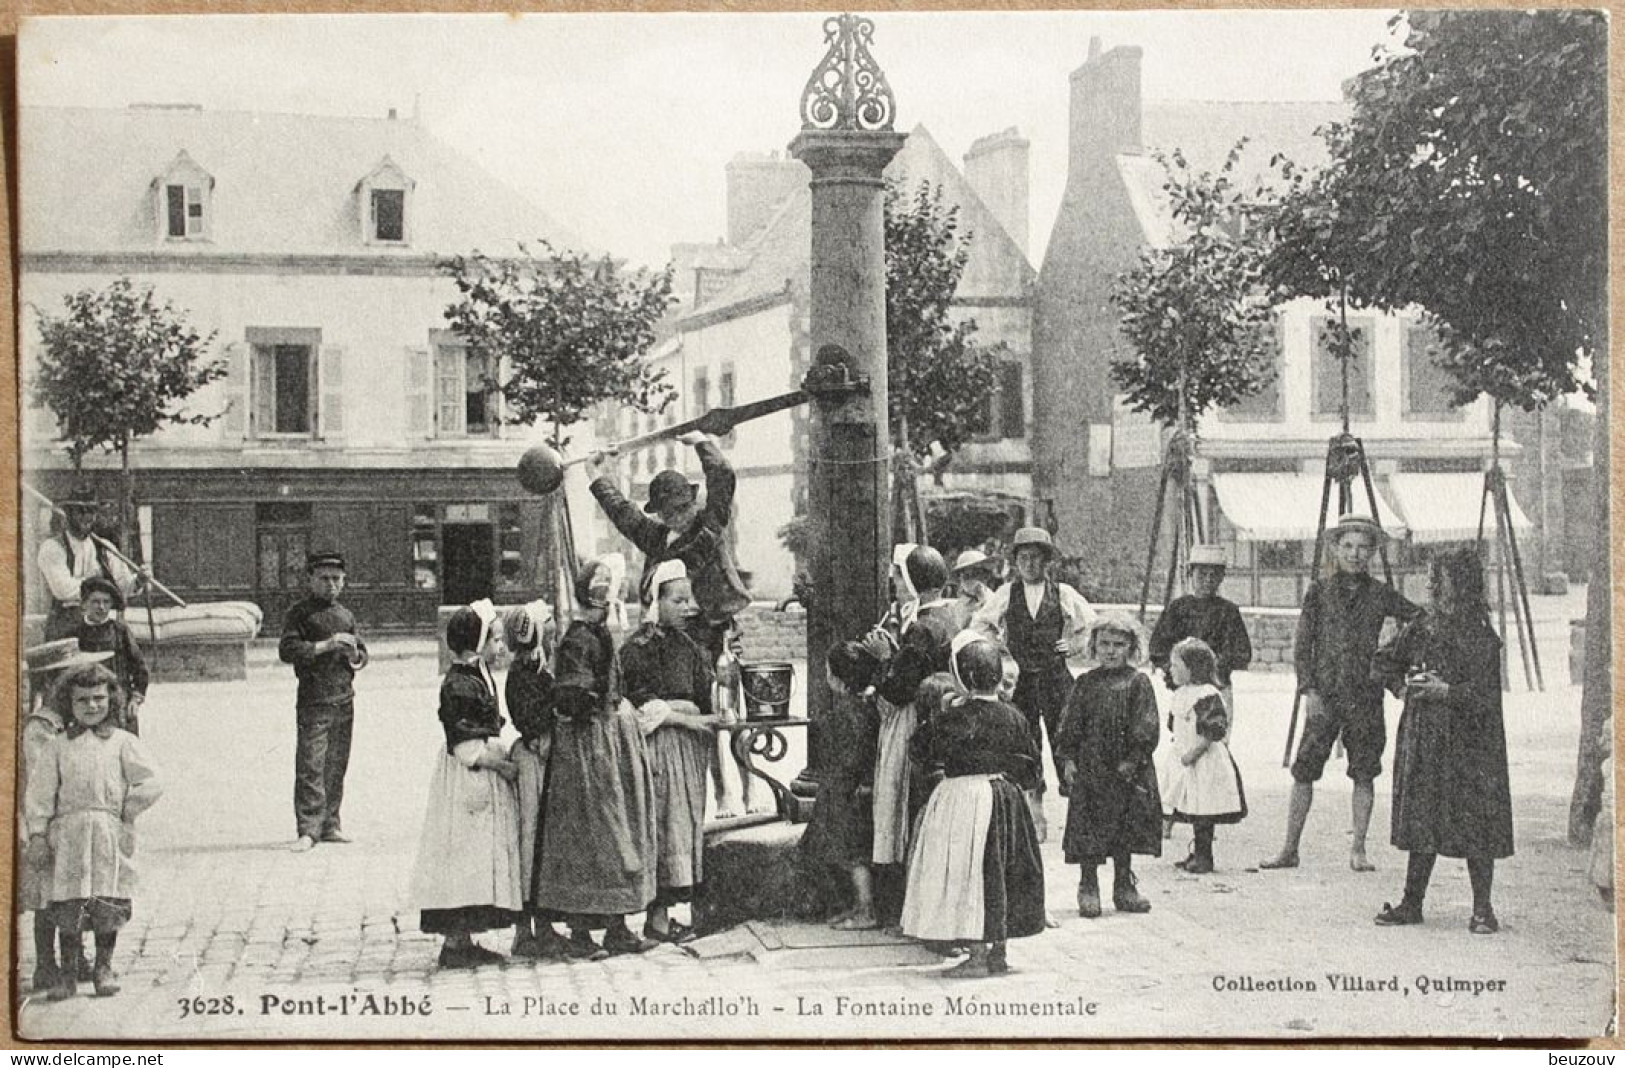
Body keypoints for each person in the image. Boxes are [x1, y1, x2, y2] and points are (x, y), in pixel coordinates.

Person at [587, 431, 757, 816]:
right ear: (660, 513)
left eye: (682, 507)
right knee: (696, 714)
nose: (677, 516)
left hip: (717, 631)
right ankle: (718, 793)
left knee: (731, 712)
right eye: (668, 512)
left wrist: (702, 444)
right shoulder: (657, 537)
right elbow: (623, 513)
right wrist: (596, 478)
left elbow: (724, 477)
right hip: (682, 638)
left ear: (692, 502)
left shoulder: (710, 525)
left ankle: (748, 792)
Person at [1262, 514, 1421, 873]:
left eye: (1363, 548)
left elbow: (1418, 619)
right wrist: (1309, 690)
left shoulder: (1380, 594)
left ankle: (1359, 850)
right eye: (1348, 546)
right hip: (1325, 695)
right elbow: (1303, 646)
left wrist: (1390, 657)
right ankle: (1289, 848)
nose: (1355, 554)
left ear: (1373, 553)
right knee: (1304, 771)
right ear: (1335, 548)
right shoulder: (1319, 591)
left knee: (1364, 772)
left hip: (1365, 697)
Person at [1371, 549, 1513, 934]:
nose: (1432, 585)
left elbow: (1486, 698)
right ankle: (1411, 902)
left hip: (1471, 745)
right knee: (1422, 816)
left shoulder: (1481, 637)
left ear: (1462, 584)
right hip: (1426, 738)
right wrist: (1403, 688)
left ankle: (1483, 909)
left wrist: (1446, 691)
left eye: (1441, 578)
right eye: (1431, 577)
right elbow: (1384, 662)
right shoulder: (1420, 625)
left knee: (1476, 822)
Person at [533, 558, 660, 958]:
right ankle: (582, 932)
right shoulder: (578, 639)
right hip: (588, 746)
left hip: (608, 741)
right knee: (591, 832)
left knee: (616, 829)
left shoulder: (597, 633)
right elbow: (572, 696)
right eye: (614, 589)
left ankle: (617, 927)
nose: (618, 595)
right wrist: (597, 713)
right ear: (601, 594)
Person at [900, 633, 1045, 979]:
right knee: (1001, 870)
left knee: (968, 872)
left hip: (962, 800)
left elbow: (919, 750)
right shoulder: (1013, 715)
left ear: (961, 678)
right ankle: (999, 953)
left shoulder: (954, 717)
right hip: (1004, 797)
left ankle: (977, 954)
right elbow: (1031, 766)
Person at [25, 663, 163, 1000]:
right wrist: (39, 834)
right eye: (82, 700)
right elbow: (40, 794)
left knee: (106, 899)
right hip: (68, 835)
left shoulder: (122, 742)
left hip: (107, 832)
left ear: (110, 700)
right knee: (69, 901)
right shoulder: (58, 746)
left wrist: (128, 809)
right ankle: (67, 974)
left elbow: (152, 780)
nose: (91, 706)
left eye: (98, 698)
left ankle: (103, 966)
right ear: (68, 704)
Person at [409, 601, 523, 969]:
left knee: (474, 855)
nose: (501, 648)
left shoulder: (475, 675)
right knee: (462, 855)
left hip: (477, 774)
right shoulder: (459, 685)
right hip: (468, 777)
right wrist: (503, 767)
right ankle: (455, 941)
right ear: (477, 642)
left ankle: (463, 937)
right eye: (497, 640)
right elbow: (465, 748)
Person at [622, 560, 721, 944]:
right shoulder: (637, 649)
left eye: (689, 599)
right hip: (659, 751)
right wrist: (686, 718)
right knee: (662, 828)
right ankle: (657, 918)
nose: (688, 607)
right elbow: (639, 705)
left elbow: (703, 692)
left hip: (689, 754)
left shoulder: (689, 646)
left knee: (684, 828)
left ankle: (669, 915)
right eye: (678, 600)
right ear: (655, 600)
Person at [971, 527, 1097, 801]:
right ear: (1016, 562)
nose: (1030, 564)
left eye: (1036, 558)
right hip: (1022, 679)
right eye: (1024, 558)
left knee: (1064, 735)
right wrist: (999, 645)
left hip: (1055, 677)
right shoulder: (1006, 593)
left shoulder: (1062, 592)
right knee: (1024, 737)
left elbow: (1092, 625)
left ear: (1047, 561)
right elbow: (980, 624)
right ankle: (1034, 798)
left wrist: (1074, 645)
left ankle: (1074, 796)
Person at [21, 641, 115, 995]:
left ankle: (78, 959)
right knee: (47, 894)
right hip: (46, 819)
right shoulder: (43, 727)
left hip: (73, 821)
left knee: (74, 889)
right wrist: (39, 831)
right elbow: (40, 778)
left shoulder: (69, 721)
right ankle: (47, 963)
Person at [862, 544, 961, 875]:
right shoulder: (950, 615)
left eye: (900, 580)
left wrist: (883, 659)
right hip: (941, 714)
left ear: (914, 582)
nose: (897, 588)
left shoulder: (923, 627)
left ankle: (896, 877)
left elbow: (901, 689)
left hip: (914, 718)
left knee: (897, 798)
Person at [1057, 614, 1162, 919]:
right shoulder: (1085, 683)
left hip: (1127, 769)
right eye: (1104, 644)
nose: (1111, 651)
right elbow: (1070, 725)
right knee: (1088, 828)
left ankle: (1123, 884)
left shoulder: (1138, 683)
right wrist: (1069, 760)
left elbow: (1147, 726)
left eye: (1119, 644)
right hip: (1092, 770)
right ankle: (1088, 884)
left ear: (1131, 647)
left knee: (1124, 828)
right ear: (1094, 646)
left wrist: (1133, 760)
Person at [277, 551, 368, 853]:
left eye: (336, 579)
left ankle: (331, 824)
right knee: (311, 765)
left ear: (344, 582)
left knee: (336, 764)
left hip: (344, 700)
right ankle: (308, 829)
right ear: (310, 580)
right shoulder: (300, 613)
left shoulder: (346, 615)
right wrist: (325, 646)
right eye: (324, 579)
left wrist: (354, 655)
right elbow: (288, 650)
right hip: (314, 700)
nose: (331, 585)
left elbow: (362, 654)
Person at [501, 599, 571, 961]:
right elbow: (533, 719)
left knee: (542, 840)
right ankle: (530, 927)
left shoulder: (535, 671)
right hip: (535, 762)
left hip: (541, 758)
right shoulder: (527, 675)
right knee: (533, 840)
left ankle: (538, 924)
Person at [800, 640, 881, 931]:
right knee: (846, 849)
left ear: (836, 678)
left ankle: (865, 909)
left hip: (845, 790)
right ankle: (855, 905)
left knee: (851, 852)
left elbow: (850, 756)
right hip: (850, 788)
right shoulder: (865, 706)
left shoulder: (847, 711)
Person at [1158, 638, 1247, 874]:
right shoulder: (1181, 694)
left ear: (1192, 668)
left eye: (1176, 666)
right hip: (1185, 758)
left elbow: (1212, 730)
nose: (1171, 670)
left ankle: (1204, 856)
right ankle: (1197, 853)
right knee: (1191, 805)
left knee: (1204, 810)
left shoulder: (1207, 694)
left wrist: (1193, 753)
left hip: (1203, 760)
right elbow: (1174, 724)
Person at [1148, 544, 1252, 729]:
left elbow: (1242, 652)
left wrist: (1215, 667)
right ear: (1191, 574)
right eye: (1202, 574)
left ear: (1221, 578)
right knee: (1185, 737)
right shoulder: (1177, 608)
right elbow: (1158, 647)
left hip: (1218, 687)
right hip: (1184, 688)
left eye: (1214, 575)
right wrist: (1175, 670)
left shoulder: (1228, 611)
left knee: (1217, 740)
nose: (1208, 580)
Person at [37, 485, 142, 642]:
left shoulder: (105, 548)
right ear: (68, 514)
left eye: (91, 511)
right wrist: (101, 584)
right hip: (67, 627)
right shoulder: (52, 548)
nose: (86, 517)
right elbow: (64, 590)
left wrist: (138, 580)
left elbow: (123, 584)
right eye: (80, 511)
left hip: (101, 624)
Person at [71, 575, 149, 734]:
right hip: (88, 703)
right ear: (84, 604)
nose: (101, 607)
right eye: (96, 602)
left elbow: (139, 668)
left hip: (119, 702)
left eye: (106, 602)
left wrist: (135, 699)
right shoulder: (74, 634)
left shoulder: (120, 631)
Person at [950, 549, 997, 618]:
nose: (970, 579)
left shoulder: (991, 598)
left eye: (975, 573)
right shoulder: (955, 598)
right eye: (965, 575)